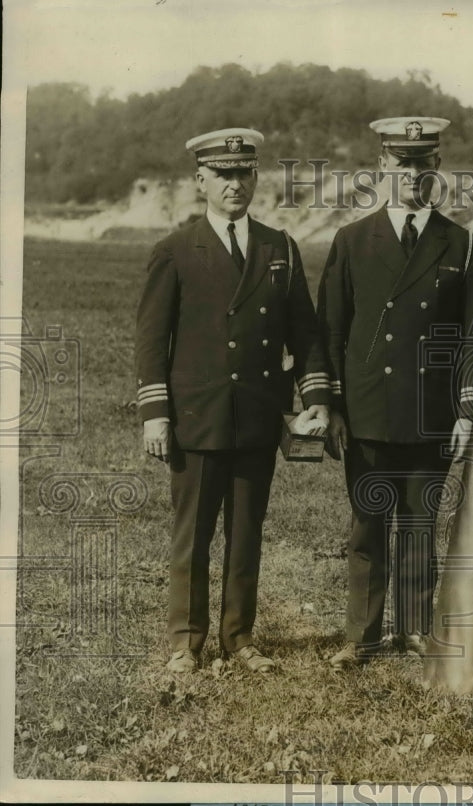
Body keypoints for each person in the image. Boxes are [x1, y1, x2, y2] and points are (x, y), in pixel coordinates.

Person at [135, 128, 332, 674]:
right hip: (197, 417)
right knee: (193, 535)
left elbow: (305, 331)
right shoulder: (175, 250)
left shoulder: (279, 247)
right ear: (201, 180)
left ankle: (239, 638)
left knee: (246, 534)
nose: (235, 184)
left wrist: (315, 395)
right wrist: (155, 414)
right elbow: (151, 341)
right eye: (223, 174)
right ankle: (186, 641)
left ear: (255, 177)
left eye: (244, 172)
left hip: (256, 416)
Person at [318, 117, 473, 672]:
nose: (412, 173)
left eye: (422, 163)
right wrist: (334, 407)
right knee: (368, 526)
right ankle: (362, 634)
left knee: (419, 524)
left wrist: (467, 408)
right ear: (382, 167)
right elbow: (330, 331)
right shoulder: (352, 241)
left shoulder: (460, 243)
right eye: (401, 163)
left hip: (430, 411)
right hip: (368, 410)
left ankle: (415, 628)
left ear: (437, 167)